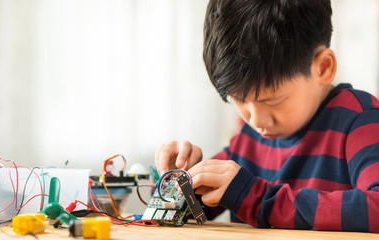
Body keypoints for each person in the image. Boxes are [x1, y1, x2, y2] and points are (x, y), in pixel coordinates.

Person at [155, 0, 379, 232]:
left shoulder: (361, 120)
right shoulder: (248, 138)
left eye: (273, 101)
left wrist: (261, 200)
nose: (256, 120)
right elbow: (196, 207)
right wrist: (177, 180)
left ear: (322, 68)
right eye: (239, 100)